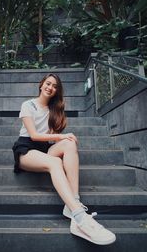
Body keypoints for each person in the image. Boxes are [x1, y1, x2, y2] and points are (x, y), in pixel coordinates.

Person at [12, 73, 116, 245]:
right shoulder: (28, 105)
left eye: (54, 86)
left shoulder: (54, 110)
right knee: (56, 159)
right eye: (48, 83)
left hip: (44, 151)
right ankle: (81, 217)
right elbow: (34, 135)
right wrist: (61, 136)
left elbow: (52, 138)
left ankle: (73, 202)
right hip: (26, 150)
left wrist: (62, 137)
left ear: (56, 91)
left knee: (69, 143)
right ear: (41, 85)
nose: (50, 87)